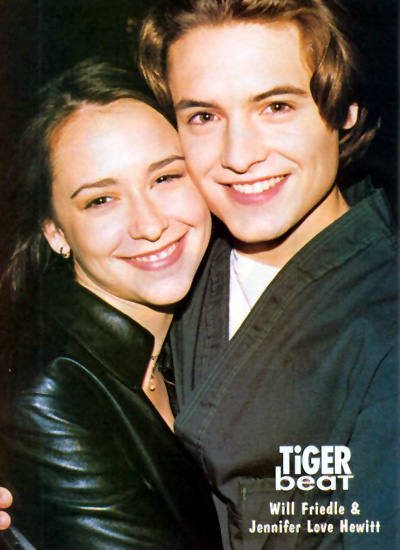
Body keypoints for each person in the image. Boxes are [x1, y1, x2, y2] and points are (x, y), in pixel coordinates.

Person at [138, 0, 398, 549]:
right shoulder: (171, 259)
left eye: (276, 106)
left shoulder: (385, 324)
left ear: (346, 111)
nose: (239, 156)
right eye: (204, 117)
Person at [0, 59, 223, 550]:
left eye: (165, 178)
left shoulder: (196, 337)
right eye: (101, 200)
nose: (149, 224)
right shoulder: (53, 397)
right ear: (55, 232)